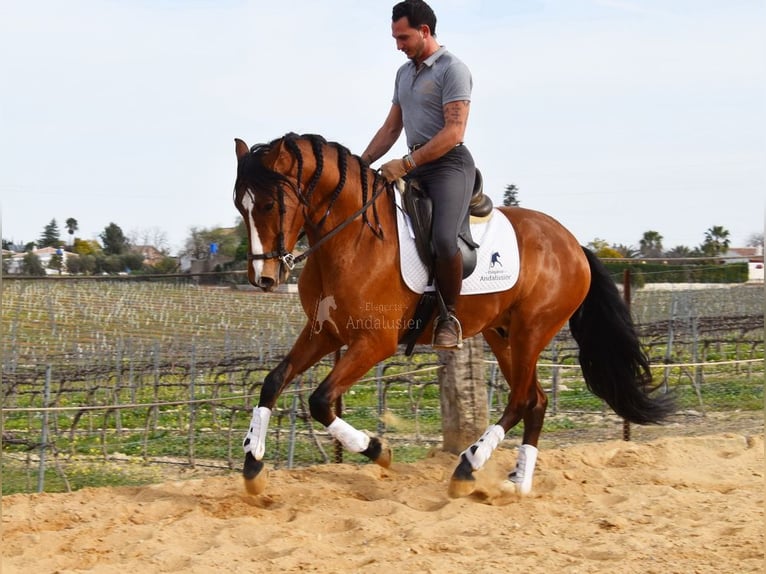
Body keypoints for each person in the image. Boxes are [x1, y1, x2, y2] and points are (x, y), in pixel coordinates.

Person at [361, 0, 476, 350]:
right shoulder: (403, 74)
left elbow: (454, 132)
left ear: (424, 31)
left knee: (443, 239)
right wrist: (359, 164)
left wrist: (406, 165)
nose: (398, 45)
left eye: (403, 37)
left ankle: (449, 318)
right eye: (395, 38)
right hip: (415, 167)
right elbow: (392, 127)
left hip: (449, 165)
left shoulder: (452, 69)